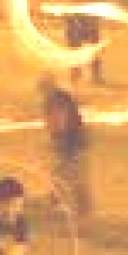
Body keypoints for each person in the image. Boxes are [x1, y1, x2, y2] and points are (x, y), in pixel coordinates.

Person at [39, 73, 92, 219]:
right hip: (76, 142)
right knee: (68, 175)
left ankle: (79, 208)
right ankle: (61, 203)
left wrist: (58, 142)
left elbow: (59, 123)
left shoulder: (55, 100)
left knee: (69, 176)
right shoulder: (59, 97)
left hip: (73, 143)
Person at [66, 0, 108, 85]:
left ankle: (95, 75)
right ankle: (75, 74)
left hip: (87, 16)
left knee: (93, 45)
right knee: (75, 46)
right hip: (76, 16)